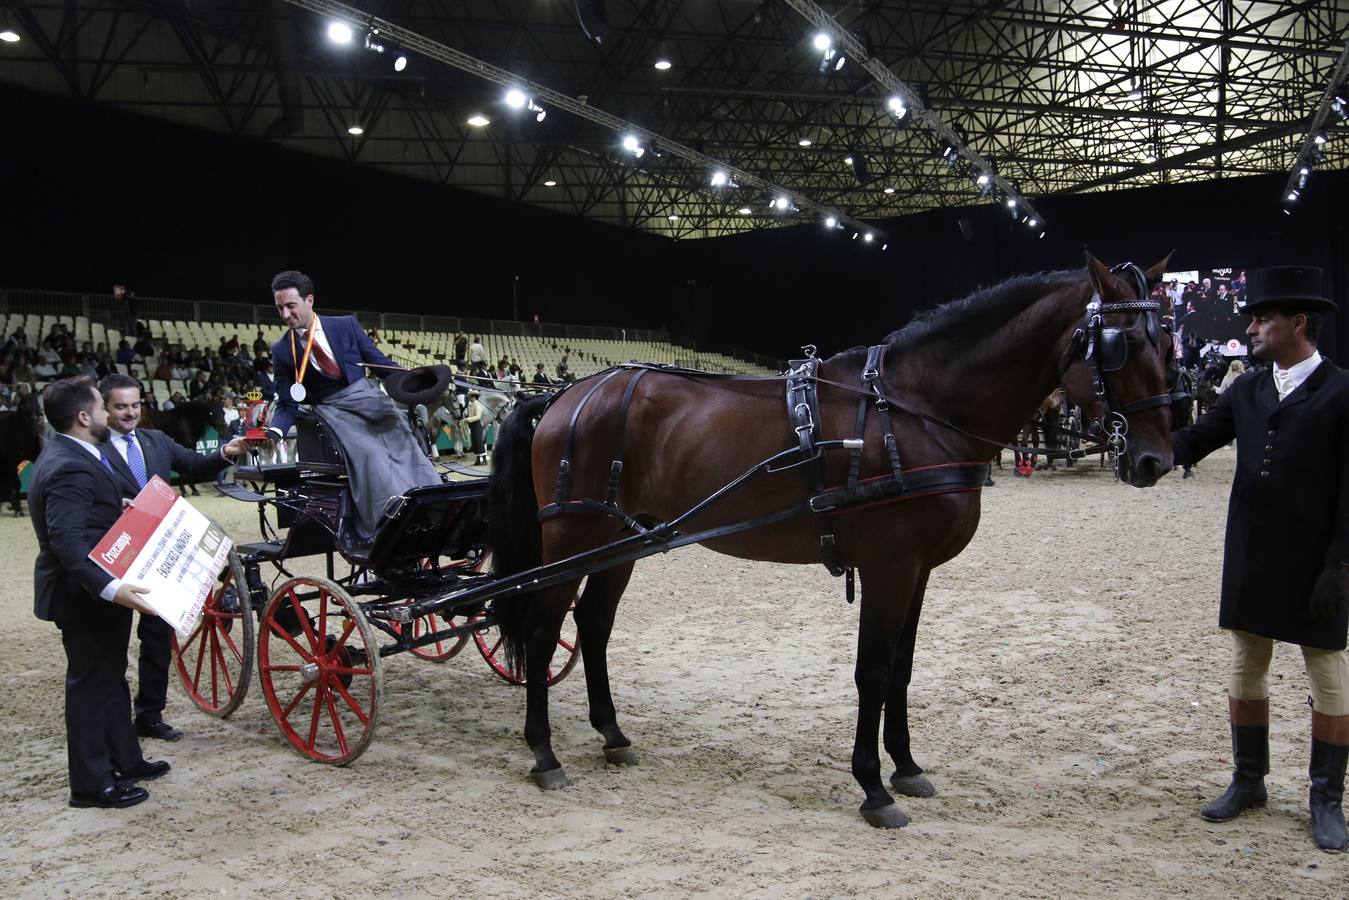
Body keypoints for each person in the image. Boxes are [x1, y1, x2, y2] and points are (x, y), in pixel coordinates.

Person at [1171, 266, 1349, 851]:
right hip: (1251, 550)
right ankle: (1249, 781)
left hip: (1319, 560)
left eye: (1262, 319)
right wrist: (1142, 448)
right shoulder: (1245, 388)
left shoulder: (1344, 391)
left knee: (1327, 670)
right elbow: (1195, 442)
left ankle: (1326, 799)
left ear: (1298, 323)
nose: (1251, 328)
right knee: (1248, 661)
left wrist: (1340, 565)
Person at [28, 376, 169, 808]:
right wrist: (113, 588)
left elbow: (85, 514)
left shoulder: (73, 453)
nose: (112, 415)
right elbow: (67, 540)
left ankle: (124, 760)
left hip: (92, 592)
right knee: (91, 685)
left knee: (109, 678)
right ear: (85, 416)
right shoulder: (69, 464)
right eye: (103, 409)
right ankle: (91, 786)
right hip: (85, 594)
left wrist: (117, 508)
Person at [96, 374, 248, 742]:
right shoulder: (92, 449)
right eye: (120, 407)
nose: (130, 413)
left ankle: (149, 715)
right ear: (104, 408)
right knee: (109, 647)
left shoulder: (156, 440)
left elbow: (194, 464)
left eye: (135, 405)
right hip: (112, 556)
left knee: (157, 640)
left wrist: (226, 453)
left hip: (158, 556)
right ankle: (108, 724)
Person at [266, 270, 441, 546]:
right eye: (280, 308)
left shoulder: (345, 325)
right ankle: (389, 523)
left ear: (309, 300)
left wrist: (412, 381)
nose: (286, 314)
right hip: (332, 411)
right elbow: (287, 402)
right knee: (370, 455)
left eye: (291, 306)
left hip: (369, 399)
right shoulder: (281, 351)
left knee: (405, 442)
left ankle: (433, 508)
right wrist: (274, 431)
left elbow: (377, 362)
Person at [463, 389, 487, 466]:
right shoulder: (473, 404)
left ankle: (484, 460)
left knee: (479, 442)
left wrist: (468, 419)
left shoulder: (477, 404)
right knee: (475, 442)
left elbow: (478, 416)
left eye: (470, 396)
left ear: (473, 397)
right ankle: (478, 460)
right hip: (473, 425)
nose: (469, 398)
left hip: (476, 424)